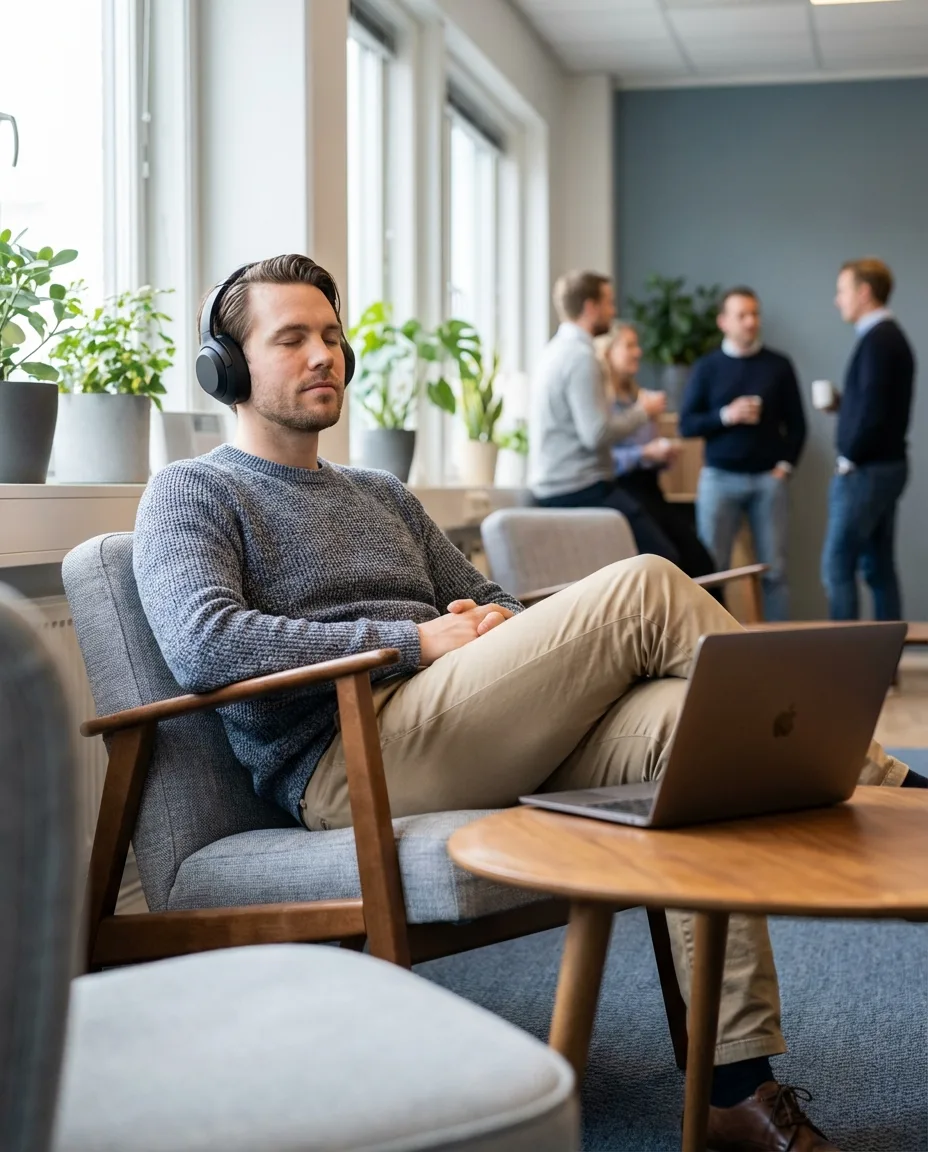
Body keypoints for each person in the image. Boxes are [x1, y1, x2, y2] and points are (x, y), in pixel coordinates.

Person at [134, 254, 925, 1152]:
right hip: (351, 759)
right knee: (645, 585)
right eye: (291, 339)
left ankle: (735, 1088)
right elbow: (206, 642)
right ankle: (900, 799)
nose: (323, 355)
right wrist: (413, 640)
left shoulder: (381, 492)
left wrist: (486, 620)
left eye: (330, 335)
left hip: (462, 721)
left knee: (688, 733)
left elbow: (492, 598)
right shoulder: (193, 490)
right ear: (226, 369)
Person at [528, 271, 676, 561]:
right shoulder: (581, 357)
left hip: (560, 486)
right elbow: (595, 434)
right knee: (663, 560)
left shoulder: (553, 351)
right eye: (608, 303)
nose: (613, 311)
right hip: (579, 488)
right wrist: (642, 412)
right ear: (590, 307)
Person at [679, 288, 806, 621]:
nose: (751, 322)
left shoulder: (778, 365)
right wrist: (727, 415)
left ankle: (780, 646)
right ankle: (713, 643)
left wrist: (784, 468)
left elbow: (798, 425)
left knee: (775, 571)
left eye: (755, 314)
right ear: (723, 322)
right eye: (742, 315)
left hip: (768, 481)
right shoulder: (707, 367)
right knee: (711, 570)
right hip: (719, 478)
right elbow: (687, 424)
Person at [821, 258, 915, 621]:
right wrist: (845, 406)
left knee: (837, 565)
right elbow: (877, 405)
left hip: (866, 471)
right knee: (878, 568)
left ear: (864, 292)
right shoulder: (887, 338)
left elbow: (874, 413)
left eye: (842, 291)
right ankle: (886, 655)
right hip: (884, 466)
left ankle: (844, 657)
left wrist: (849, 458)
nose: (837, 300)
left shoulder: (879, 341)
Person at [596, 323, 717, 581]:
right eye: (629, 345)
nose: (638, 352)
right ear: (608, 351)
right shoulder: (602, 404)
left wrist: (662, 455)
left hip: (651, 489)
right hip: (624, 490)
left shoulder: (640, 398)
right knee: (667, 559)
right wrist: (643, 454)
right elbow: (602, 455)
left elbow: (647, 450)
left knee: (701, 560)